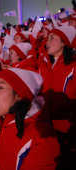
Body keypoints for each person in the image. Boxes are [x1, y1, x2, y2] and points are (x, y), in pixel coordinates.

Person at [36, 25, 76, 169]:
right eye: (47, 39)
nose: (47, 42)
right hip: (46, 128)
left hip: (69, 131)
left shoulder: (73, 66)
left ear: (64, 42)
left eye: (52, 38)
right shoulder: (42, 67)